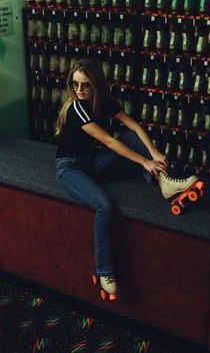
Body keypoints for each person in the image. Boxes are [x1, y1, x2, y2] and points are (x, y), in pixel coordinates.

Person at [55, 57, 198, 299]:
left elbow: (135, 127)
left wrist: (153, 153)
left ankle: (165, 183)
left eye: (85, 85)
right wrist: (145, 161)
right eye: (75, 84)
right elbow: (109, 141)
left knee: (133, 139)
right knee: (104, 206)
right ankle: (103, 269)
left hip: (91, 163)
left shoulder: (105, 102)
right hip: (70, 169)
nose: (79, 90)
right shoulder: (76, 109)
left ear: (96, 85)